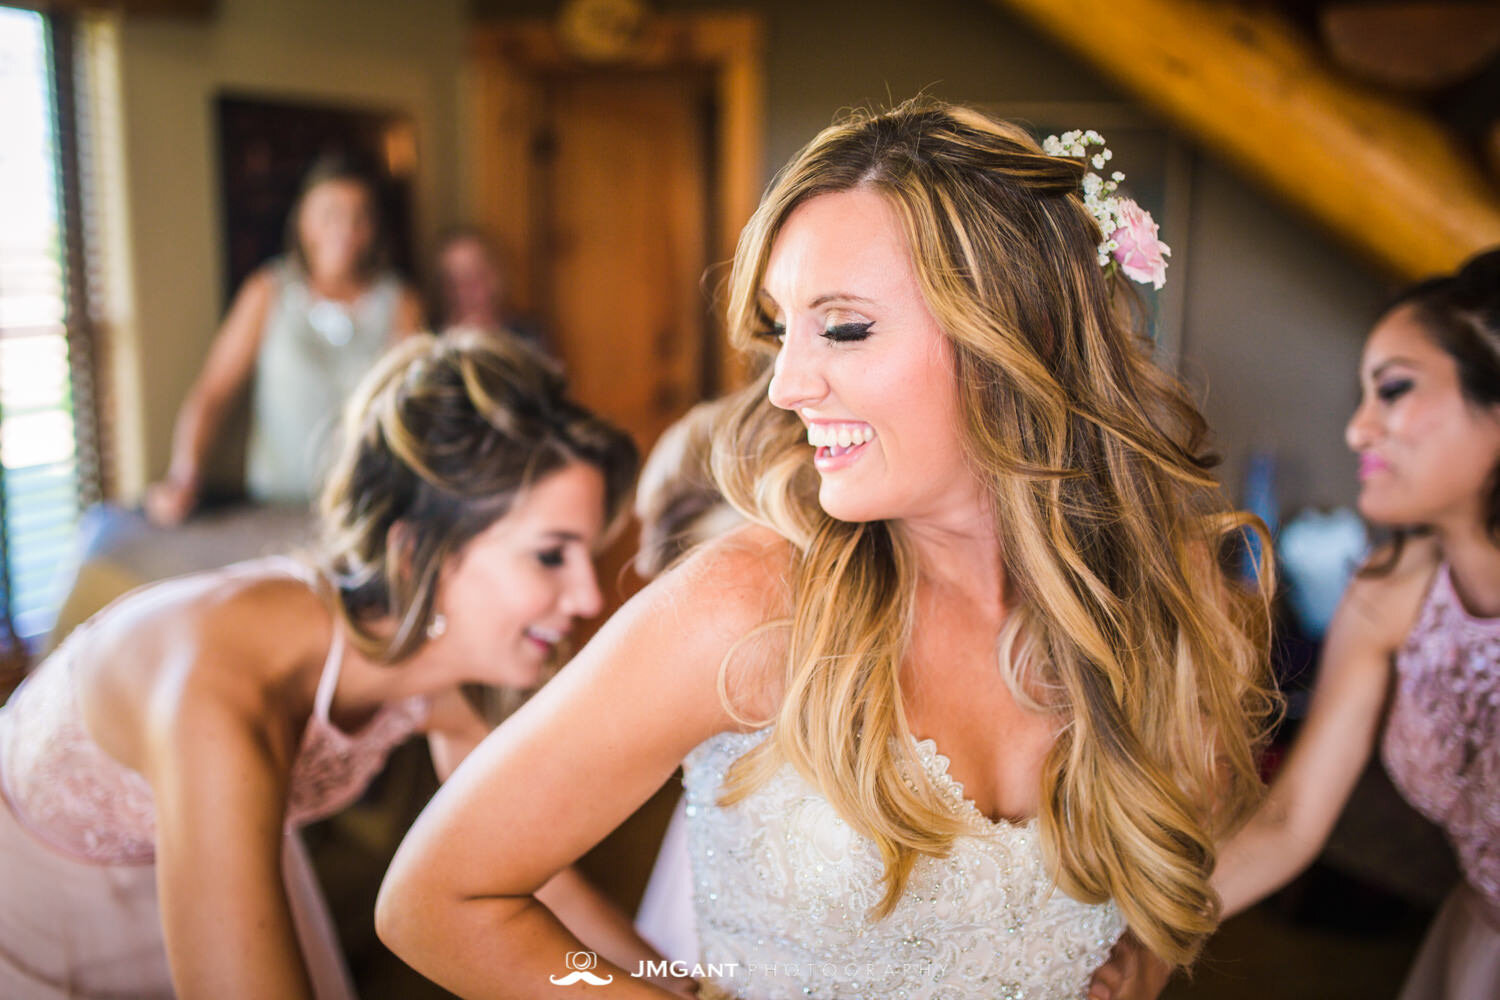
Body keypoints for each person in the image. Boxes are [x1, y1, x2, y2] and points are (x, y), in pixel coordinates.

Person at [375, 100, 1275, 1000]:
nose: (788, 385)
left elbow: (1186, 860)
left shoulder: (1177, 594)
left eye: (842, 327)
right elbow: (436, 899)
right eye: (781, 327)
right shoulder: (749, 607)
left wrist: (1142, 964)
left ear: (1020, 336)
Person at [0, 332, 653, 998]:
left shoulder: (425, 679)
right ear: (415, 554)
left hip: (201, 853)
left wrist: (686, 985)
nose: (589, 596)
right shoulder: (225, 698)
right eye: (551, 555)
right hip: (30, 902)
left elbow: (535, 876)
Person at [1213, 249, 1500, 999]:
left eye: (1394, 390)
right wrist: (1132, 938)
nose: (1358, 431)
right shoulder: (1390, 590)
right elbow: (1290, 822)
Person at [146, 154, 425, 524]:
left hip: (368, 508)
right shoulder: (267, 292)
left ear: (374, 227)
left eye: (359, 216)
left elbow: (416, 411)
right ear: (304, 222)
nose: (345, 228)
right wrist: (184, 476)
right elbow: (212, 394)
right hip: (277, 508)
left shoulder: (401, 303)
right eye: (329, 214)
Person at [430, 227, 546, 350]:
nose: (466, 292)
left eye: (476, 276)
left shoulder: (527, 337)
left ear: (497, 277)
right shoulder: (432, 348)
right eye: (454, 282)